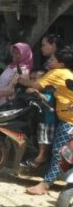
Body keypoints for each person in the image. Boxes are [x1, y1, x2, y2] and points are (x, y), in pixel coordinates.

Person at [24, 45, 73, 195]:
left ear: (61, 64)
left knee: (59, 152)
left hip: (69, 122)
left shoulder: (57, 72)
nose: (49, 61)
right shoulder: (69, 73)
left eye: (53, 59)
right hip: (67, 118)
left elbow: (35, 85)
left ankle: (45, 185)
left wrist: (20, 80)